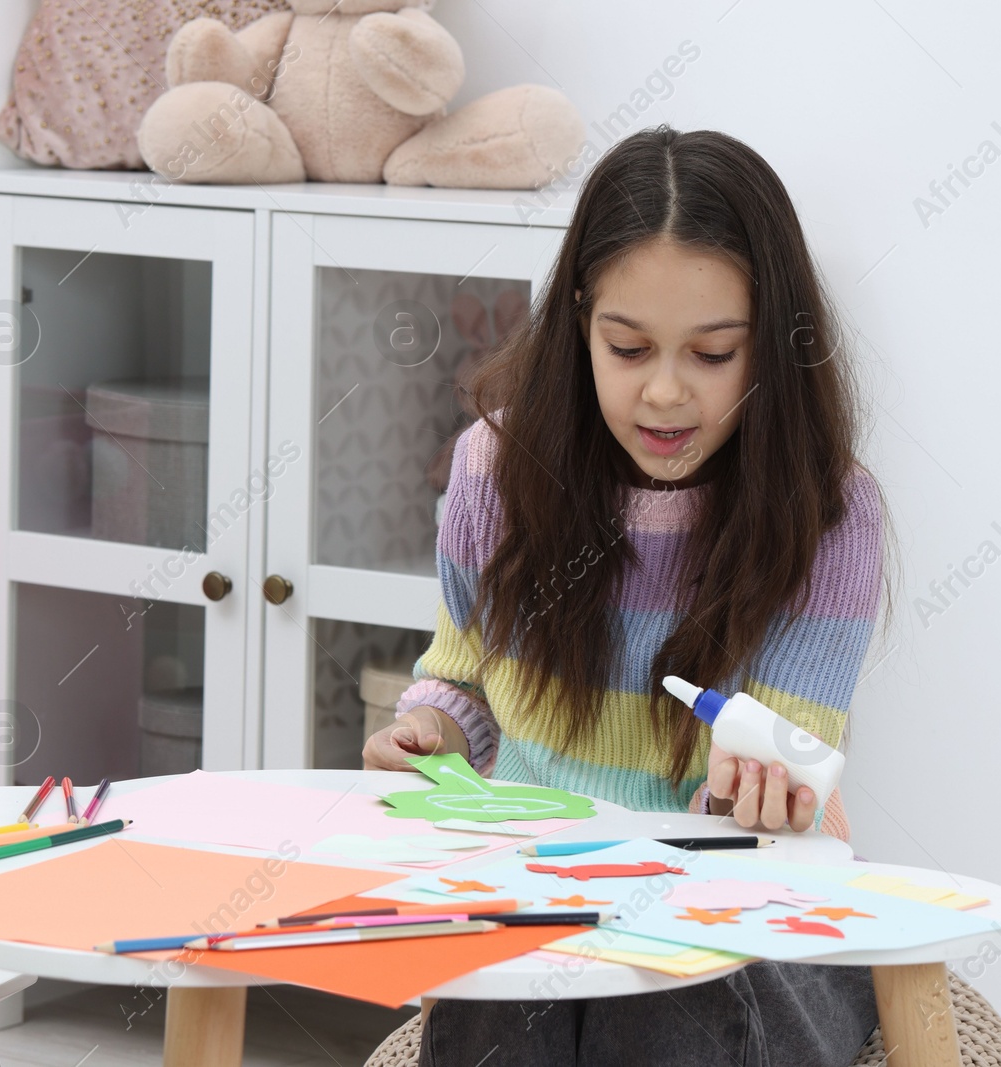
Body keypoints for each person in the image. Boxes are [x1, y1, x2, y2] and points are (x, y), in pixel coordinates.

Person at [362, 126, 886, 1066]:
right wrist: (431, 732)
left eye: (714, 354)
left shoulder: (830, 516)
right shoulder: (496, 469)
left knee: (655, 987)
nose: (666, 394)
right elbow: (462, 679)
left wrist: (762, 794)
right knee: (499, 987)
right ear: (578, 322)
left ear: (772, 342)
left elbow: (791, 766)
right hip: (544, 900)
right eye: (629, 347)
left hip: (751, 930)